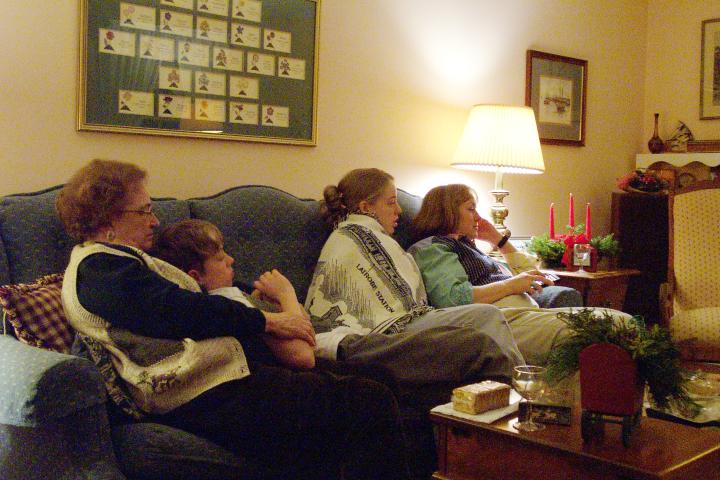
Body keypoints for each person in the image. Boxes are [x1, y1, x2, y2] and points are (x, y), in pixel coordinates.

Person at [57, 159, 411, 480]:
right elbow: (181, 311)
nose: (155, 220)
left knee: (381, 377)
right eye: (144, 210)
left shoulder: (121, 262)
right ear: (108, 219)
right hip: (199, 393)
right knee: (368, 399)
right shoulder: (98, 269)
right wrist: (268, 322)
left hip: (224, 376)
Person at [304, 168, 524, 403]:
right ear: (366, 207)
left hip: (408, 318)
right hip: (392, 326)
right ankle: (521, 394)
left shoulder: (373, 236)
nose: (399, 210)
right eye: (391, 203)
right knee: (487, 316)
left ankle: (507, 395)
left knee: (488, 319)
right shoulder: (350, 236)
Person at [409, 184, 632, 364]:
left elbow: (531, 276)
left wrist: (499, 241)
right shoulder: (434, 248)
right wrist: (511, 286)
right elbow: (454, 299)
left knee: (619, 320)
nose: (478, 217)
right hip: (502, 323)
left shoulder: (469, 247)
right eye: (471, 209)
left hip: (526, 315)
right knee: (617, 325)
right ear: (447, 212)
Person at [152, 218, 314, 370]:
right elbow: (304, 356)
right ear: (196, 277)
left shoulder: (236, 290)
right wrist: (286, 293)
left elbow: (306, 324)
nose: (231, 260)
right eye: (220, 258)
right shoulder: (226, 300)